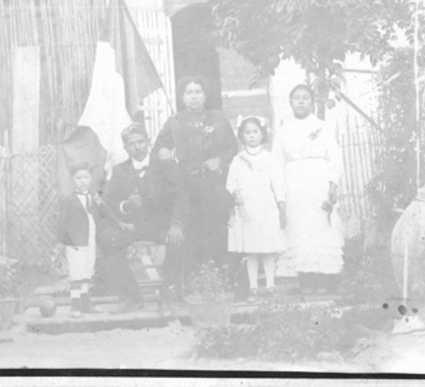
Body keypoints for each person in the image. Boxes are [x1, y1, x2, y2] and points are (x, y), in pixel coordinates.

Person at [99, 123, 187, 313]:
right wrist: (127, 205)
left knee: (177, 239)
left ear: (148, 142)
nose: (137, 147)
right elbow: (110, 203)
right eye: (132, 144)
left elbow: (181, 196)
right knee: (108, 239)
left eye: (140, 141)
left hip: (161, 225)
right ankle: (131, 297)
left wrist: (176, 224)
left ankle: (167, 295)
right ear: (126, 148)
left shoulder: (165, 165)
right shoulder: (121, 170)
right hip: (134, 227)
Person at [153, 75, 238, 267]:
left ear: (205, 95)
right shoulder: (174, 121)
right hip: (186, 185)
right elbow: (159, 148)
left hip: (214, 182)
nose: (194, 97)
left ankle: (222, 275)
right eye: (189, 92)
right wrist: (163, 150)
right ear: (182, 97)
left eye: (198, 92)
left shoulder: (219, 119)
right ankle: (195, 279)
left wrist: (220, 160)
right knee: (192, 230)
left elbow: (233, 149)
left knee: (217, 228)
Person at [272, 84, 344, 295]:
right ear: (291, 102)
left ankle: (326, 280)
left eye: (305, 98)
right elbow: (276, 166)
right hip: (295, 184)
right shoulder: (284, 131)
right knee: (301, 230)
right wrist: (281, 197)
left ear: (312, 102)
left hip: (319, 181)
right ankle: (306, 280)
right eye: (296, 98)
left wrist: (333, 183)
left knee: (322, 227)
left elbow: (335, 157)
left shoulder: (322, 126)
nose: (301, 101)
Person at [227, 116, 286, 302]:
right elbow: (231, 183)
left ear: (262, 134)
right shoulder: (237, 160)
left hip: (266, 208)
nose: (251, 136)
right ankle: (253, 286)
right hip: (247, 209)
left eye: (255, 132)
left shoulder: (269, 158)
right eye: (247, 132)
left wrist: (281, 204)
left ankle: (270, 285)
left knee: (268, 249)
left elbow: (278, 183)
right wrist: (236, 196)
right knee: (251, 250)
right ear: (242, 136)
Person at [57, 162, 103, 318]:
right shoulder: (68, 199)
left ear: (90, 178)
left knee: (87, 270)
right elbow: (62, 221)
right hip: (75, 241)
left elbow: (98, 215)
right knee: (76, 272)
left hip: (90, 238)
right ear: (72, 180)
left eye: (86, 177)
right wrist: (62, 242)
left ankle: (85, 302)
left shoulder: (93, 196)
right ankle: (74, 305)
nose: (83, 181)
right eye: (78, 178)